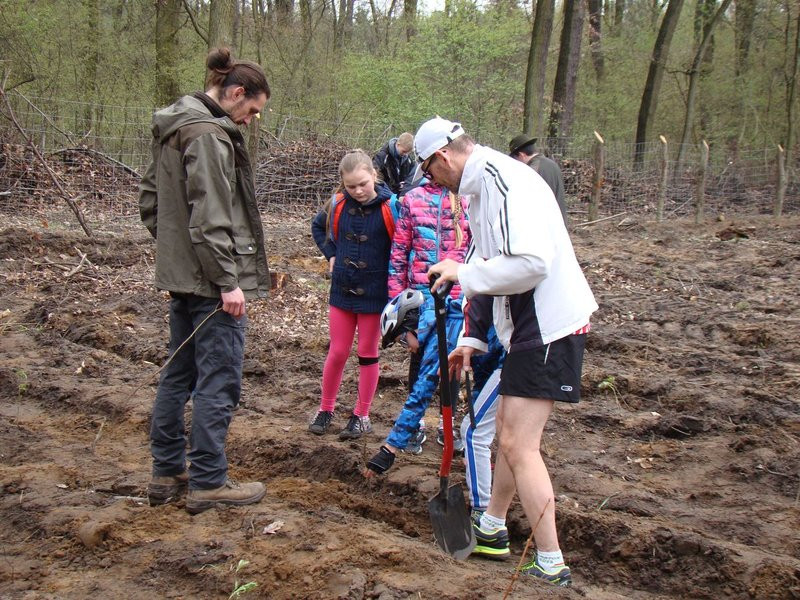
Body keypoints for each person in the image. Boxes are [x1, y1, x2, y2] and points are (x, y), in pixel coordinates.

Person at [421, 117, 598, 586]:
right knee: (504, 431)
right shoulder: (480, 189)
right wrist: (471, 340)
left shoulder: (504, 181)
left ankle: (551, 561)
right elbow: (483, 264)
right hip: (528, 328)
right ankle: (494, 529)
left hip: (549, 326)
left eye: (429, 171)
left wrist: (464, 274)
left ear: (443, 156)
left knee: (521, 444)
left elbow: (531, 263)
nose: (431, 181)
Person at [139, 48, 271, 514]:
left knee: (178, 374)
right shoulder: (210, 135)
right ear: (235, 93)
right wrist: (226, 280)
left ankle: (167, 471)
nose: (251, 120)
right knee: (219, 379)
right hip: (214, 285)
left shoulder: (172, 125)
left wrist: (177, 254)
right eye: (252, 110)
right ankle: (209, 481)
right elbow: (212, 217)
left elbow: (150, 201)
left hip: (181, 277)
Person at [363, 179, 469, 475]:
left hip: (459, 299)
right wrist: (403, 313)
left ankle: (449, 425)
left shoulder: (469, 198)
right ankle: (415, 425)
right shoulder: (412, 199)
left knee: (452, 367)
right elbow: (398, 255)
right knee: (420, 363)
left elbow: (476, 251)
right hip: (422, 299)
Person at [310, 151, 400, 439]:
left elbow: (402, 245)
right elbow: (317, 226)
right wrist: (331, 254)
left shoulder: (392, 206)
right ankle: (325, 409)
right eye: (351, 186)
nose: (358, 191)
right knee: (336, 352)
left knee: (367, 353)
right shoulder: (336, 204)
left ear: (374, 175)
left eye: (363, 183)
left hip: (375, 293)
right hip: (342, 289)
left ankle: (361, 414)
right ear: (343, 184)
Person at [508, 134, 567, 225]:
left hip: (544, 226)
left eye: (515, 159)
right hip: (559, 223)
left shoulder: (531, 171)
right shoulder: (551, 164)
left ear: (521, 155)